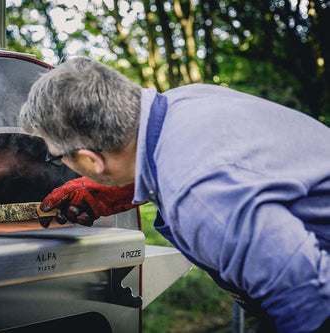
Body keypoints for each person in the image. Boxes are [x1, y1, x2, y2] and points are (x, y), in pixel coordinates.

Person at [19, 57, 330, 333]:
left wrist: (175, 188)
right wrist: (133, 183)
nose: (61, 163)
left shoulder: (198, 194)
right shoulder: (186, 100)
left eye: (58, 156)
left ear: (91, 160)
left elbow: (310, 301)